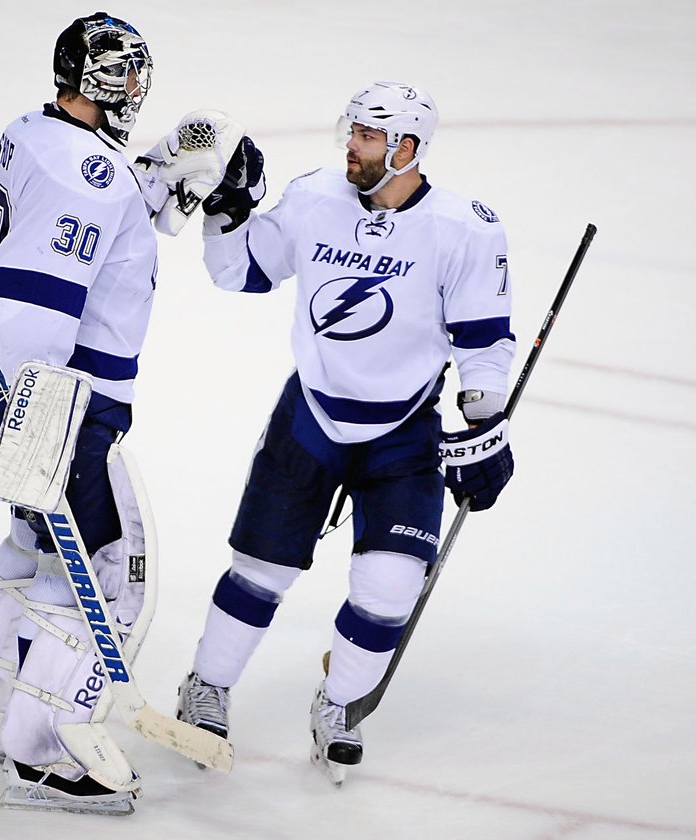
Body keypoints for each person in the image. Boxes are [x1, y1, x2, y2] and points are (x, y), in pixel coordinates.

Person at [171, 80, 517, 784]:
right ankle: (205, 687)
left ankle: (337, 705)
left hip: (404, 430)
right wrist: (228, 214)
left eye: (365, 135)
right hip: (314, 413)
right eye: (352, 131)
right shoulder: (315, 198)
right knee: (262, 569)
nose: (349, 146)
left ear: (406, 148)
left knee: (389, 587)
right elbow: (240, 272)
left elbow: (484, 339)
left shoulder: (465, 228)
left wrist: (485, 423)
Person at [0, 12, 161, 814]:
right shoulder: (88, 178)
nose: (139, 86)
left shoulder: (35, 132)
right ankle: (44, 754)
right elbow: (37, 298)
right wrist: (33, 425)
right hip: (57, 402)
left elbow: (98, 212)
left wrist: (159, 176)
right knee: (106, 570)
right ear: (100, 82)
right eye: (128, 72)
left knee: (31, 546)